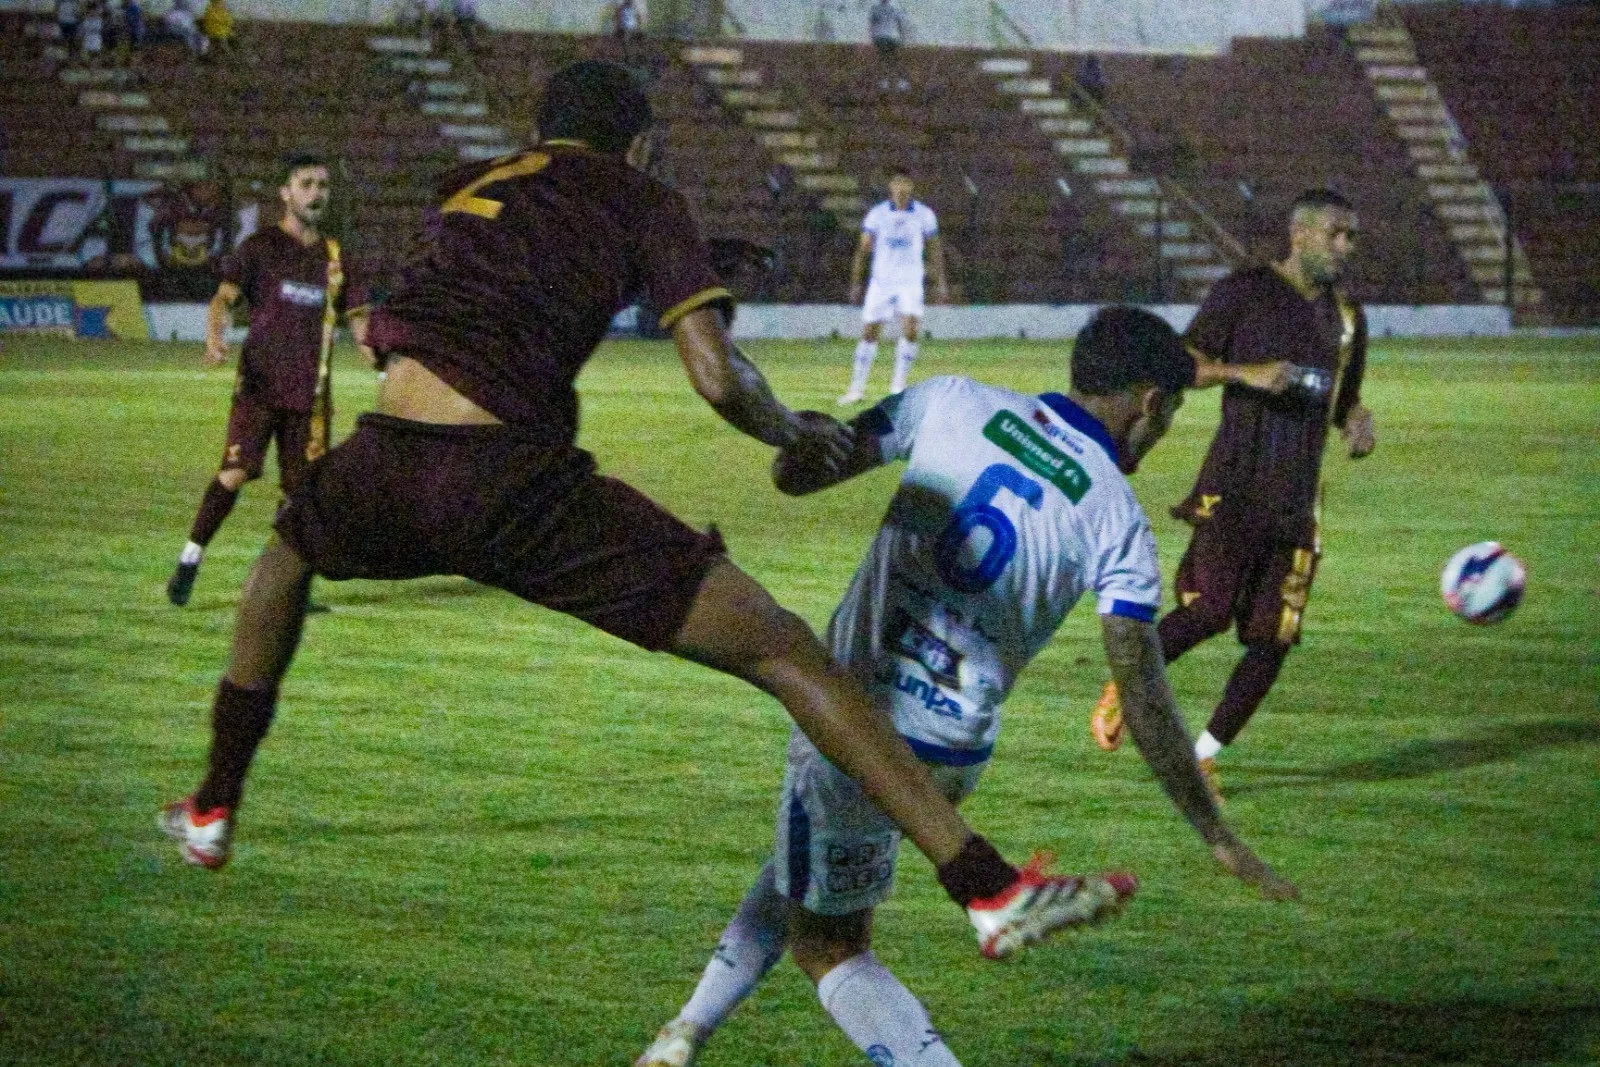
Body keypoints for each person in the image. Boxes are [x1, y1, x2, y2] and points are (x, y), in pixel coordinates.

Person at [158, 61, 1120, 967]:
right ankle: (986, 886)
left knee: (283, 558)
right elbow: (713, 373)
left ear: (537, 131)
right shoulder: (642, 196)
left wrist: (662, 265)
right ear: (643, 147)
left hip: (386, 458)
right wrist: (789, 429)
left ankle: (214, 802)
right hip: (508, 482)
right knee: (784, 648)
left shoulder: (470, 183)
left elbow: (435, 311)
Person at [636, 308, 1298, 1067]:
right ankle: (682, 1034)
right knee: (807, 869)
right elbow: (1142, 693)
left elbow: (799, 474)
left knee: (829, 946)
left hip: (850, 723)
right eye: (1173, 411)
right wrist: (1212, 830)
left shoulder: (950, 399)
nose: (1166, 429)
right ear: (1151, 401)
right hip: (951, 754)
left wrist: (794, 434)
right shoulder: (1119, 518)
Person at [1090, 189, 1376, 802]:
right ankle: (1127, 682)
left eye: (1352, 237)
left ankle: (1203, 757)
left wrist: (1355, 418)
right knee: (1209, 612)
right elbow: (1181, 364)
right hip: (1234, 487)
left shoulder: (1349, 318)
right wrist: (1244, 373)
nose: (1346, 247)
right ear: (1300, 235)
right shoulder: (1243, 292)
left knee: (1274, 638)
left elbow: (1341, 396)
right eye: (1337, 234)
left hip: (1299, 501)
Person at [165, 154, 371, 607]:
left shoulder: (336, 259)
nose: (316, 193)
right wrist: (215, 339)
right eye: (306, 184)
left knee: (304, 495)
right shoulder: (259, 248)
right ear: (286, 192)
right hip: (259, 389)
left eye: (322, 185)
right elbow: (223, 299)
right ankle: (189, 560)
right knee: (236, 473)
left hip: (311, 398)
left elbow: (358, 318)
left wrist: (373, 347)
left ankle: (289, 585)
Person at [838, 167, 948, 406]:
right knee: (869, 332)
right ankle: (856, 388)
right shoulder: (877, 215)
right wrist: (856, 282)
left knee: (910, 330)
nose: (901, 188)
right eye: (897, 183)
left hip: (910, 281)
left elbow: (934, 248)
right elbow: (863, 250)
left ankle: (898, 387)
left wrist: (940, 282)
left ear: (911, 186)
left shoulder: (924, 215)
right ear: (890, 186)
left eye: (905, 183)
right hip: (881, 282)